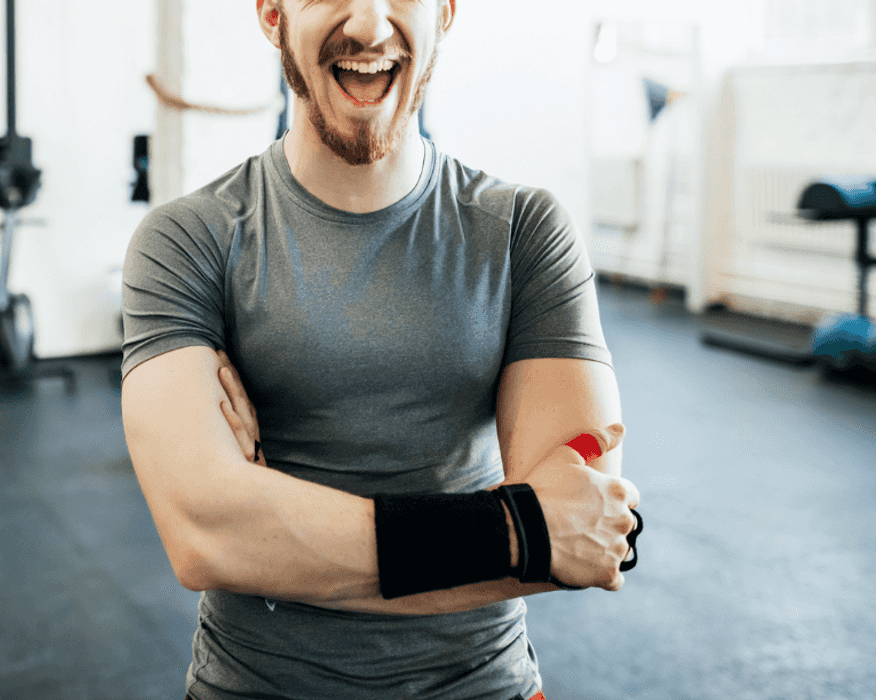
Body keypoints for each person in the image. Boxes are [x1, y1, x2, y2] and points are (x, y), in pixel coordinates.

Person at [119, 1, 642, 698]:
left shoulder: (523, 232)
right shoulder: (189, 240)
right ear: (272, 14)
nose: (367, 25)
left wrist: (274, 533)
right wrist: (517, 528)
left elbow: (583, 531)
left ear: (446, 11)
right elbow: (208, 536)